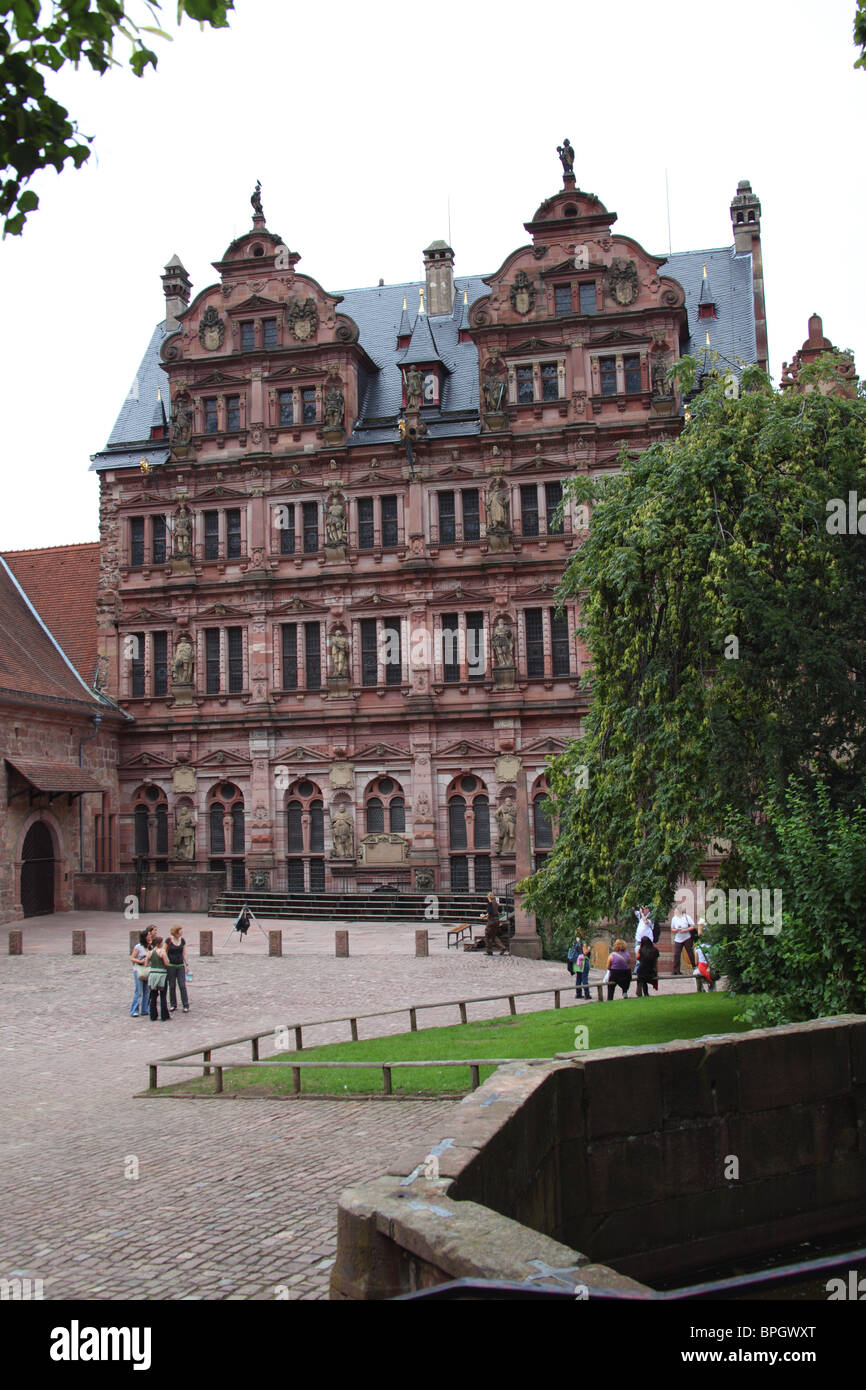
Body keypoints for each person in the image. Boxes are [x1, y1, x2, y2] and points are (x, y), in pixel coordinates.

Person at [129, 926, 154, 1017]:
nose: (150, 937)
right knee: (138, 991)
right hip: (138, 970)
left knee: (147, 991)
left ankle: (145, 1009)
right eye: (148, 935)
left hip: (148, 970)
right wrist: (140, 961)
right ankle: (134, 1010)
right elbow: (132, 958)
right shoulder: (138, 947)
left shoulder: (151, 946)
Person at [147, 936, 171, 1022]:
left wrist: (153, 965)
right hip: (161, 975)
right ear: (158, 943)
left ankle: (153, 1015)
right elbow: (166, 963)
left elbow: (146, 964)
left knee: (153, 996)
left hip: (153, 974)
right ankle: (164, 1015)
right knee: (163, 996)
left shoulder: (150, 952)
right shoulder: (162, 952)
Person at [166, 925, 190, 1013]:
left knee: (182, 985)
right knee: (172, 985)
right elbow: (164, 952)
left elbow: (184, 953)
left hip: (180, 965)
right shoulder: (169, 940)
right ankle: (173, 1004)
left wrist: (187, 964)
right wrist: (166, 962)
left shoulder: (182, 940)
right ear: (176, 931)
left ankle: (185, 1004)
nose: (182, 932)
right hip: (171, 965)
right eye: (180, 930)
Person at [670, 902, 696, 976]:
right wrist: (677, 930)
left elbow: (693, 926)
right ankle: (676, 970)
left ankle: (694, 967)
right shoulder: (674, 919)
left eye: (676, 910)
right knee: (676, 954)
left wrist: (686, 930)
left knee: (690, 952)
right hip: (678, 938)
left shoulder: (686, 917)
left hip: (687, 937)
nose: (675, 911)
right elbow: (672, 929)